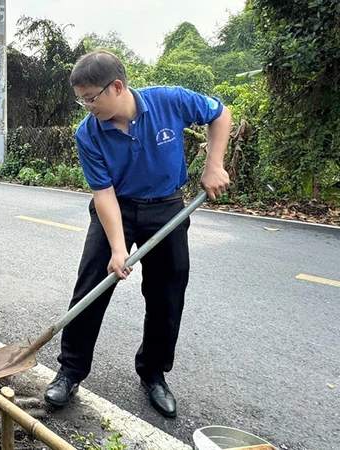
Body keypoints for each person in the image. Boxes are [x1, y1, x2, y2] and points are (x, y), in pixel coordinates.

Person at [44, 50, 231, 419]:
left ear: (116, 86)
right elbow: (104, 196)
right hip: (118, 208)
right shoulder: (89, 133)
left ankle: (153, 373)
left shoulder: (170, 100)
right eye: (80, 100)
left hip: (166, 208)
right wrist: (117, 248)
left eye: (90, 98)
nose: (86, 107)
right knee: (91, 287)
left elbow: (220, 113)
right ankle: (71, 370)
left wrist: (214, 164)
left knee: (166, 293)